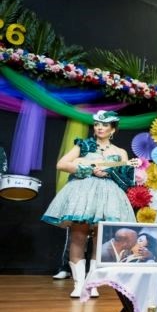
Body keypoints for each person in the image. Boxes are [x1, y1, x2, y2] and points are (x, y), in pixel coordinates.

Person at [41, 110, 139, 298]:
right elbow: (62, 164)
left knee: (100, 241)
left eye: (105, 125)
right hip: (84, 194)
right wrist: (90, 169)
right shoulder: (84, 145)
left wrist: (110, 172)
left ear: (113, 129)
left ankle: (92, 283)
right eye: (97, 124)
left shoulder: (120, 152)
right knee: (78, 236)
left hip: (109, 198)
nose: (100, 127)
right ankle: (78, 284)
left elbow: (126, 179)